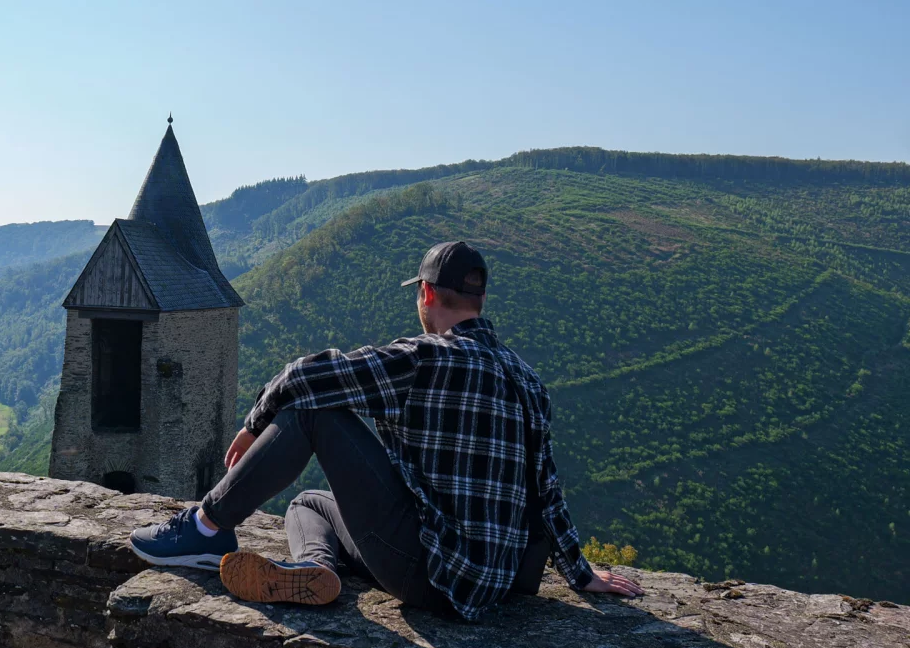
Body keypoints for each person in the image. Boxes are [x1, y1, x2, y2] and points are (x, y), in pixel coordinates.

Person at [129, 241, 643, 620]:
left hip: (430, 576)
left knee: (312, 412)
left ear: (426, 293)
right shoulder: (527, 380)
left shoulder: (423, 358)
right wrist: (581, 574)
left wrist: (254, 424)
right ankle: (318, 568)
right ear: (480, 299)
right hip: (502, 581)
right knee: (309, 504)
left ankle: (205, 529)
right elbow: (547, 490)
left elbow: (304, 375)